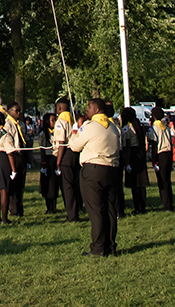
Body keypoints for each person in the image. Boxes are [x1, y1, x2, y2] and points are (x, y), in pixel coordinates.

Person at [69, 97, 120, 257]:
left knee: (96, 210)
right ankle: (110, 246)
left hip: (93, 170)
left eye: (89, 107)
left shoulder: (89, 127)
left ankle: (98, 248)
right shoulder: (113, 127)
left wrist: (76, 130)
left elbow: (74, 146)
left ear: (97, 110)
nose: (87, 111)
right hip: (112, 170)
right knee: (111, 210)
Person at [52, 98, 80, 222]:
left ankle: (72, 215)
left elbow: (61, 142)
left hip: (66, 155)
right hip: (75, 153)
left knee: (67, 186)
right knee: (75, 184)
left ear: (59, 108)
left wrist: (58, 162)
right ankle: (78, 208)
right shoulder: (72, 118)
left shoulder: (60, 121)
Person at [149, 108, 175, 212]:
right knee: (168, 180)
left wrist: (154, 161)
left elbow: (154, 145)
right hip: (168, 153)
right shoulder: (165, 127)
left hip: (160, 155)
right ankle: (170, 203)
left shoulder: (154, 128)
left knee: (162, 181)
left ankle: (166, 205)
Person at [121, 108, 148, 216]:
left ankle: (137, 207)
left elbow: (127, 146)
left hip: (132, 155)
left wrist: (127, 162)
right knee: (141, 184)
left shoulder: (127, 128)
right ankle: (143, 206)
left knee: (135, 184)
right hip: (140, 154)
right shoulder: (139, 126)